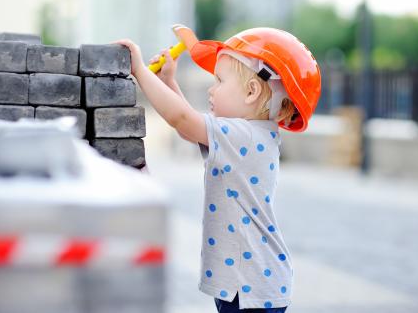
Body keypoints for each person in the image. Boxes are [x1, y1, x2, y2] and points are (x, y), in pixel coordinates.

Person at [112, 27, 321, 312]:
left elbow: (183, 119)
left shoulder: (244, 136)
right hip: (247, 283)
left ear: (251, 91)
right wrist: (170, 82)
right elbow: (190, 128)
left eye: (219, 81)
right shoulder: (247, 134)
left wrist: (140, 70)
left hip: (251, 287)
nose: (211, 89)